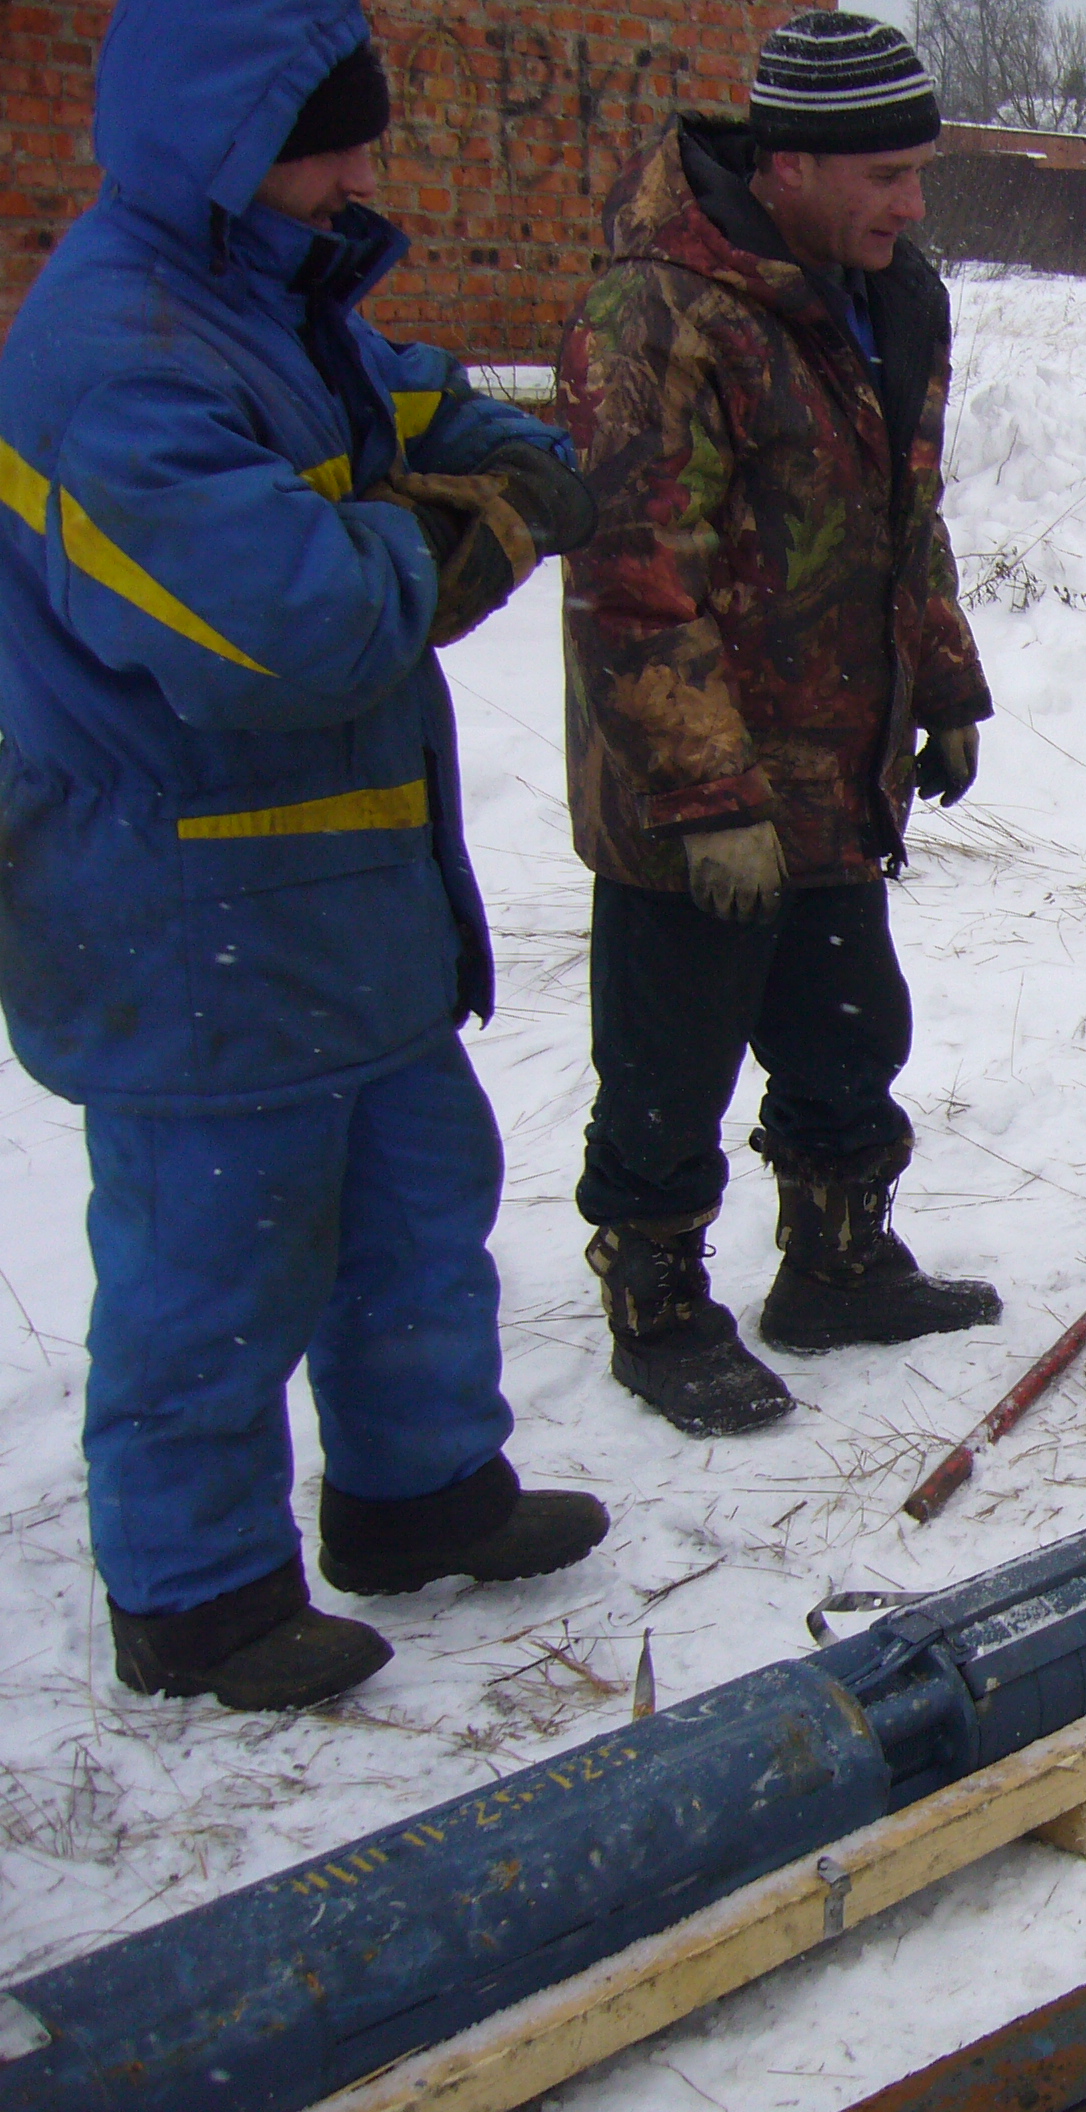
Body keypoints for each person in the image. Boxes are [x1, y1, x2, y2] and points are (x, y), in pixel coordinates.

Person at [0, 2, 610, 1711]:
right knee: (217, 1262)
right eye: (320, 140)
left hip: (343, 908)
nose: (358, 173)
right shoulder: (114, 361)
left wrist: (474, 483)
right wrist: (463, 527)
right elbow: (299, 631)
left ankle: (420, 1494)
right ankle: (195, 1595)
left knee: (420, 1212)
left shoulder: (276, 305)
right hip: (179, 913)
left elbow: (463, 428)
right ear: (209, 140)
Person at [560, 12, 999, 1438]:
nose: (911, 204)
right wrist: (703, 799)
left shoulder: (892, 296)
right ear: (793, 162)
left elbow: (900, 518)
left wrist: (940, 684)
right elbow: (634, 578)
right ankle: (661, 1306)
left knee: (847, 1029)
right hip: (694, 788)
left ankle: (837, 1262)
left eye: (921, 172)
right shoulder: (659, 309)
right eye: (886, 175)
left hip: (834, 769)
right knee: (670, 1059)